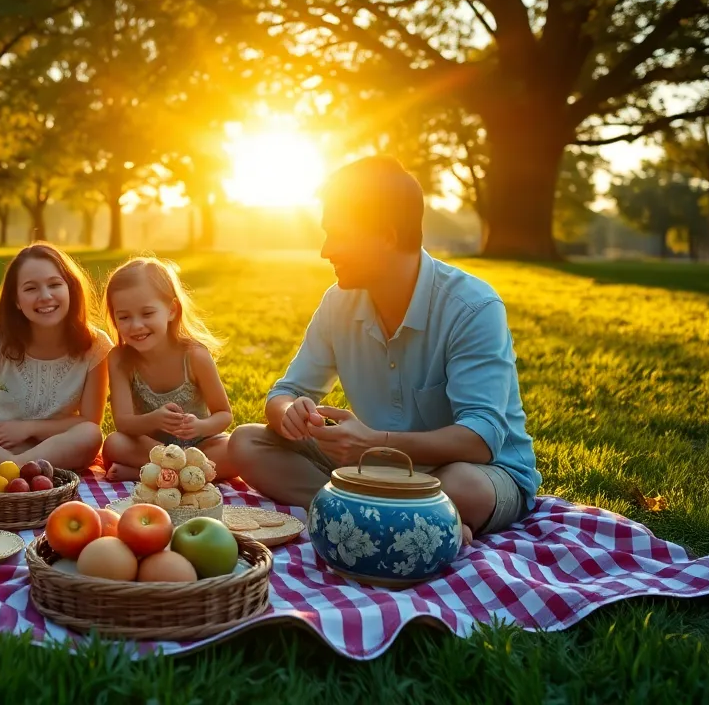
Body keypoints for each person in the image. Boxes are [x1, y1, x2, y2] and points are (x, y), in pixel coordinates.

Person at [228, 156, 540, 543]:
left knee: (462, 487)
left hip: (476, 471)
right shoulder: (338, 302)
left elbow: (480, 439)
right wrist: (289, 412)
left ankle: (358, 513)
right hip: (372, 464)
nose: (326, 250)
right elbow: (285, 392)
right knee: (246, 442)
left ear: (387, 236)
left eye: (338, 234)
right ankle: (409, 522)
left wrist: (374, 441)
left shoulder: (473, 307)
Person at [0, 243, 112, 470]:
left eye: (54, 284)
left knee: (91, 434)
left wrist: (28, 428)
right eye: (30, 288)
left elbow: (89, 421)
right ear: (16, 300)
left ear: (70, 289)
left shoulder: (96, 345)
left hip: (54, 446)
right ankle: (23, 470)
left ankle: (11, 469)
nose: (45, 296)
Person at [99, 256, 235, 482]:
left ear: (171, 310)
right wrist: (155, 420)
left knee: (235, 449)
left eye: (147, 313)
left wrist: (200, 426)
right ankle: (187, 479)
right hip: (152, 449)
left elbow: (224, 415)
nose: (136, 325)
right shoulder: (120, 359)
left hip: (200, 447)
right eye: (124, 317)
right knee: (113, 444)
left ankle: (149, 475)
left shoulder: (194, 355)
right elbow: (123, 422)